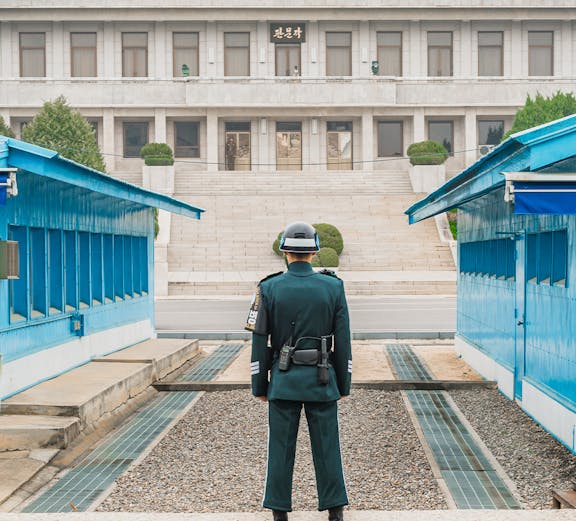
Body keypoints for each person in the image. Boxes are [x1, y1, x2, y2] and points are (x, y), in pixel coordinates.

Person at [245, 221, 352, 521]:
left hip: (283, 379)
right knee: (328, 445)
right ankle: (335, 510)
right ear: (315, 251)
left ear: (285, 253)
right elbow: (343, 341)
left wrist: (259, 386)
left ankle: (279, 512)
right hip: (321, 379)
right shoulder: (334, 286)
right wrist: (343, 384)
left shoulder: (267, 287)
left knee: (280, 448)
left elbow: (258, 342)